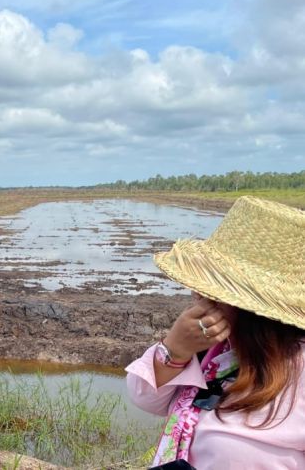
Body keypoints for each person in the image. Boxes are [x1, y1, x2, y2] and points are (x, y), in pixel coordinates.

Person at [126, 195, 305, 469]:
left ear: (256, 310)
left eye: (214, 290)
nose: (197, 294)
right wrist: (176, 349)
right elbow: (145, 398)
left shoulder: (298, 371)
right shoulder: (215, 349)